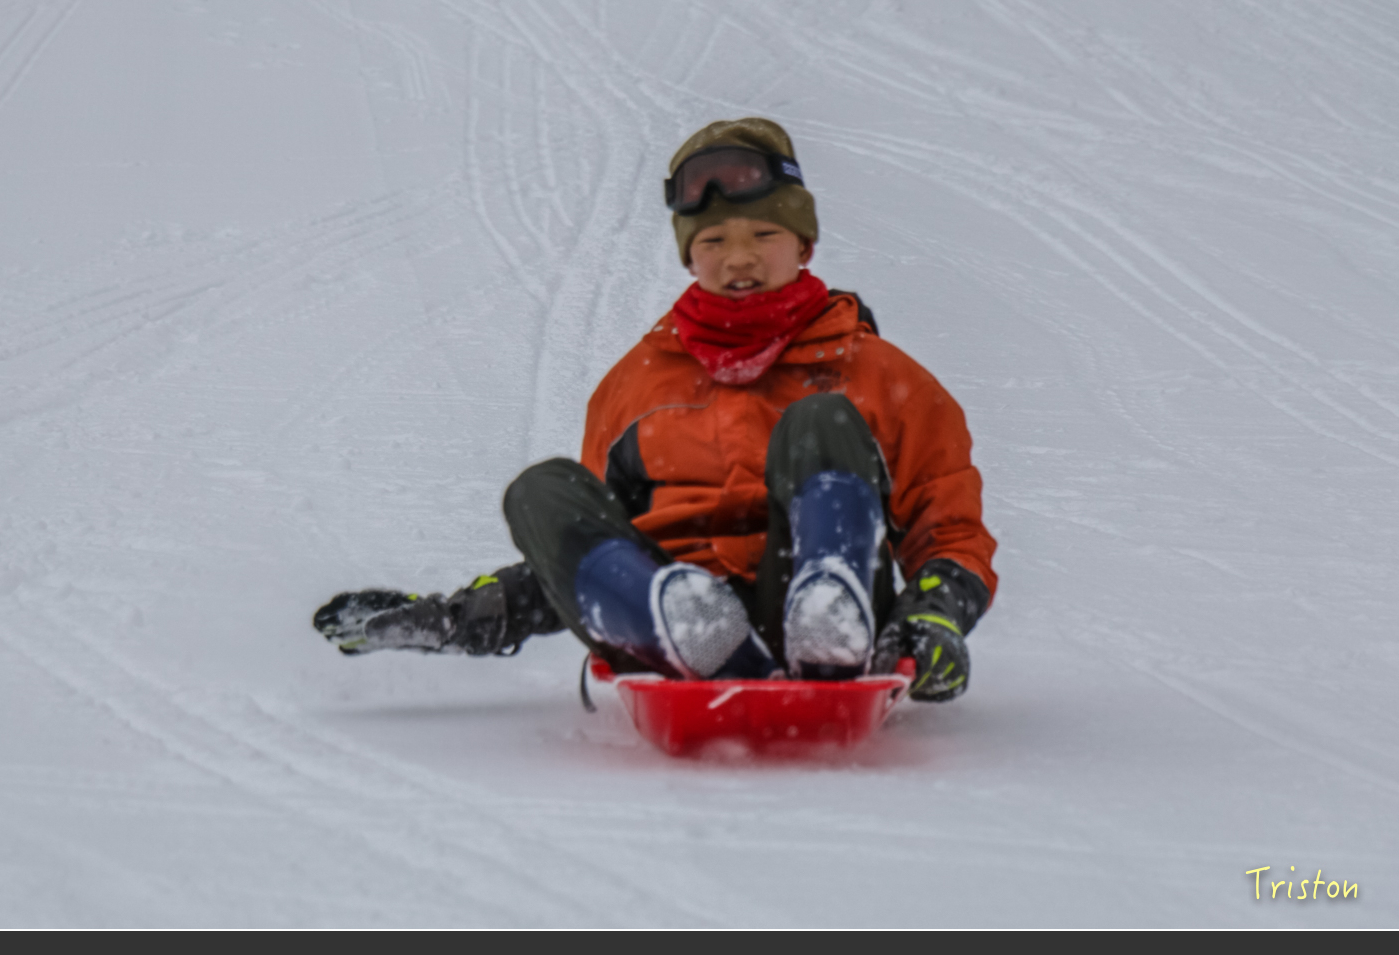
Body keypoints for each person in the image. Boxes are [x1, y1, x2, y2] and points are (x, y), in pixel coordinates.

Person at [314, 118, 997, 702]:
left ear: (804, 244)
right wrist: (452, 618)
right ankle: (688, 629)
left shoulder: (880, 376)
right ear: (688, 256)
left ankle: (826, 613)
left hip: (827, 609)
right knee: (540, 491)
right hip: (665, 616)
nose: (739, 259)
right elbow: (593, 544)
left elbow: (949, 531)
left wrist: (934, 617)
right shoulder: (634, 387)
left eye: (764, 234)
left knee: (820, 419)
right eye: (713, 241)